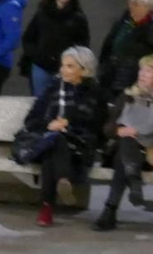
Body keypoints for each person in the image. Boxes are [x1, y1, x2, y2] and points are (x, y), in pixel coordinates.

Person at [21, 46, 108, 227]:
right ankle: (63, 180)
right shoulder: (53, 87)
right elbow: (32, 119)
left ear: (84, 70)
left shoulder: (95, 92)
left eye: (69, 66)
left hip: (81, 144)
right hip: (50, 140)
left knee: (53, 146)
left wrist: (68, 123)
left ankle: (46, 209)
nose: (63, 70)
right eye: (63, 65)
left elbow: (97, 124)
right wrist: (49, 125)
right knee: (54, 140)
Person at [93, 54, 153, 232]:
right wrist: (118, 130)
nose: (142, 74)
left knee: (123, 154)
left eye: (148, 71)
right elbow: (107, 127)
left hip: (150, 155)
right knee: (126, 142)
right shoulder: (129, 95)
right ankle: (133, 183)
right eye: (142, 70)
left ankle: (110, 211)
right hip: (119, 150)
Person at [97, 0, 153, 100]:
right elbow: (109, 43)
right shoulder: (124, 22)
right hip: (113, 73)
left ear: (147, 7)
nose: (131, 7)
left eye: (135, 4)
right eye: (130, 3)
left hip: (134, 77)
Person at [20, 0, 90, 96]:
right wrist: (35, 54)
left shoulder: (78, 17)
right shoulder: (42, 13)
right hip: (41, 65)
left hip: (65, 68)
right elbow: (28, 37)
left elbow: (83, 43)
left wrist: (73, 61)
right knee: (40, 99)